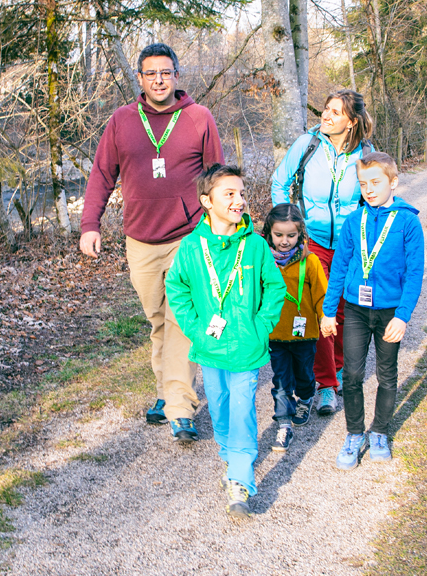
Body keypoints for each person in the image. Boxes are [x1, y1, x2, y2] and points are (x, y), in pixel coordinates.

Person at [81, 43, 223, 429]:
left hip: (188, 237)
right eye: (151, 74)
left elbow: (218, 177)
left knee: (181, 319)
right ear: (140, 79)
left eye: (166, 72)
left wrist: (228, 228)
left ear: (177, 76)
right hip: (140, 239)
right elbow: (101, 176)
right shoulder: (122, 122)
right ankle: (166, 390)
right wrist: (89, 224)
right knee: (158, 319)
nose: (159, 80)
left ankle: (179, 408)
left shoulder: (198, 118)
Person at [165, 164, 286, 518]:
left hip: (247, 348)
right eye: (229, 194)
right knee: (218, 407)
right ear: (207, 201)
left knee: (242, 410)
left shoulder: (255, 246)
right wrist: (196, 329)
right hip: (210, 347)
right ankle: (228, 456)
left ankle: (240, 479)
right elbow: (177, 289)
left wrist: (260, 327)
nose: (239, 201)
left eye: (242, 194)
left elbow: (274, 289)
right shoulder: (190, 248)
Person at [269, 90, 374, 417]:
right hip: (311, 240)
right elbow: (279, 182)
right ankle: (326, 385)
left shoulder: (367, 154)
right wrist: (288, 225)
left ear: (351, 122)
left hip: (349, 244)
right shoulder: (308, 145)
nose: (325, 116)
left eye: (335, 112)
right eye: (326, 110)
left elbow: (377, 196)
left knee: (344, 310)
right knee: (320, 311)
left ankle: (339, 368)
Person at [320, 152, 425, 471]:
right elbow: (338, 267)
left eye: (375, 182)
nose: (368, 189)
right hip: (355, 310)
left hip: (389, 313)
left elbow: (414, 272)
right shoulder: (354, 221)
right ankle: (354, 434)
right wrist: (327, 312)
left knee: (386, 373)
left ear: (393, 182)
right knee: (351, 374)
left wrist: (403, 316)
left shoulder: (408, 221)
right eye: (362, 183)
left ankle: (379, 431)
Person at [260, 204, 327, 452]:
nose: (285, 241)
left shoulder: (310, 262)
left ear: (301, 235)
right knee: (280, 381)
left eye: (291, 235)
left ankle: (307, 398)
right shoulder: (264, 261)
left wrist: (325, 317)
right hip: (276, 334)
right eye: (279, 235)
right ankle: (284, 424)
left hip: (304, 333)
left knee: (304, 375)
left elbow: (321, 293)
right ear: (269, 233)